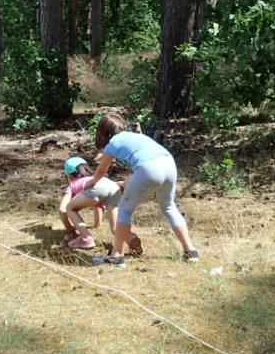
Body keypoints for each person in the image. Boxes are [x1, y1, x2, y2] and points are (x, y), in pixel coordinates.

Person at [85, 113, 199, 268]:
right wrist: (125, 183)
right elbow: (136, 167)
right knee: (168, 206)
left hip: (148, 168)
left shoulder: (113, 143)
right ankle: (190, 251)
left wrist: (92, 182)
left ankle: (116, 256)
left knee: (124, 209)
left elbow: (101, 170)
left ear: (103, 132)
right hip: (168, 163)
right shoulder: (136, 137)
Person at [59, 156, 143, 253]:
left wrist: (70, 228)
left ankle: (86, 238)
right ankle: (130, 237)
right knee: (115, 227)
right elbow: (97, 205)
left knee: (70, 208)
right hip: (113, 186)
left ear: (69, 176)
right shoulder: (94, 178)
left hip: (98, 188)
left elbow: (62, 209)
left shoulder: (73, 184)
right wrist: (96, 224)